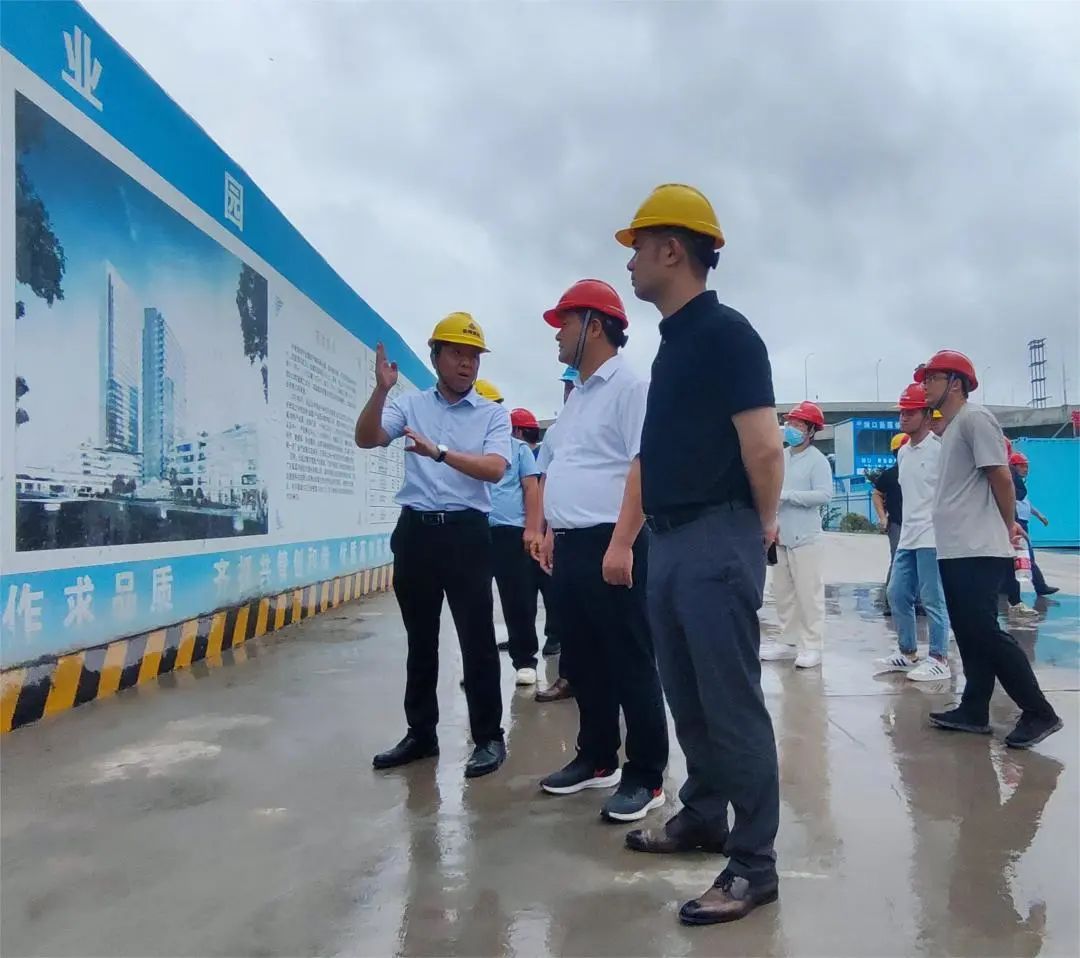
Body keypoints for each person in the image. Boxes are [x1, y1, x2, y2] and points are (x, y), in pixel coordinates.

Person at [617, 183, 785, 924]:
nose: (629, 262)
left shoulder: (727, 335)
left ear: (671, 249)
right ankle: (705, 814)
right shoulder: (673, 344)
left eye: (637, 248)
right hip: (672, 539)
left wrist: (760, 525)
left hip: (718, 534)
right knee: (687, 695)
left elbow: (765, 447)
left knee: (730, 702)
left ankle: (754, 864)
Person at [532, 278, 669, 823]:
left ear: (594, 326)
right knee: (584, 658)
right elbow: (565, 466)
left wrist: (622, 542)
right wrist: (549, 530)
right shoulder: (580, 396)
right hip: (570, 545)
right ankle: (596, 758)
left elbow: (644, 464)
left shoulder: (630, 387)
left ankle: (647, 776)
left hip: (612, 541)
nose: (557, 335)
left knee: (630, 659)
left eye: (564, 323)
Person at [354, 312, 511, 778]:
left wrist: (439, 453)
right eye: (457, 353)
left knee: (477, 639)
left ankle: (488, 737)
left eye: (474, 356)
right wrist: (381, 391)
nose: (466, 363)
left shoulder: (492, 414)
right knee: (420, 640)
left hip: (466, 533)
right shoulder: (410, 404)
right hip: (416, 533)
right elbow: (367, 439)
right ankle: (421, 734)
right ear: (436, 356)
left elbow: (495, 469)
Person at [915, 349, 1062, 749]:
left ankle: (1039, 711)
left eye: (932, 378)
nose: (924, 385)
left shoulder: (975, 418)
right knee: (969, 633)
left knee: (983, 632)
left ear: (956, 383)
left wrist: (1008, 522)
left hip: (978, 548)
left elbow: (1000, 475)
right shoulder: (952, 427)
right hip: (956, 548)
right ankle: (974, 709)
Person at [874, 383, 951, 681]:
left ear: (927, 415)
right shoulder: (904, 452)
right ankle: (907, 652)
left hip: (932, 536)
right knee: (896, 593)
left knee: (932, 599)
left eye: (910, 412)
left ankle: (939, 658)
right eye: (902, 412)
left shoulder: (940, 450)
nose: (903, 417)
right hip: (908, 535)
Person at [760, 401, 833, 669]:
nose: (792, 428)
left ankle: (812, 645)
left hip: (806, 538)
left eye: (799, 424)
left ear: (811, 430)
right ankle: (787, 642)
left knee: (808, 594)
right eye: (790, 423)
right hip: (782, 536)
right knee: (783, 593)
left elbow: (825, 494)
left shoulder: (817, 460)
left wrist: (789, 496)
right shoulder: (782, 456)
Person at [488, 400, 543, 686]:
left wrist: (532, 529)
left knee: (517, 599)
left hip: (511, 532)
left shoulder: (519, 449)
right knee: (474, 602)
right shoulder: (471, 446)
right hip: (473, 530)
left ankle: (525, 661)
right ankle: (479, 666)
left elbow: (531, 488)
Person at [534, 369, 580, 704]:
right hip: (564, 533)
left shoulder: (614, 410)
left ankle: (617, 682)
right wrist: (546, 531)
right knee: (568, 609)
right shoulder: (555, 433)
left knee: (615, 615)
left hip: (608, 532)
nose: (568, 392)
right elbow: (546, 481)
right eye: (565, 386)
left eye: (573, 385)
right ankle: (570, 677)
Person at [510, 406, 562, 658]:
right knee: (532, 587)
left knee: (538, 586)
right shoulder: (541, 451)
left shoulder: (526, 455)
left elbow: (538, 490)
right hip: (536, 529)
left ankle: (551, 636)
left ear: (517, 431)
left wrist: (539, 528)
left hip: (536, 530)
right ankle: (535, 636)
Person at [1010, 452, 1058, 597]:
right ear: (1014, 467)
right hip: (1017, 523)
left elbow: (1026, 504)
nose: (1026, 469)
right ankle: (1039, 586)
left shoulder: (1020, 485)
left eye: (1027, 466)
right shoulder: (1012, 484)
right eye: (1022, 466)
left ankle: (1037, 586)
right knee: (1026, 556)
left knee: (1023, 557)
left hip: (1023, 523)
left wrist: (1039, 516)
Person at [873, 434, 907, 614]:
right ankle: (890, 602)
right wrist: (883, 517)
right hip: (898, 525)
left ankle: (918, 602)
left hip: (922, 525)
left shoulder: (923, 470)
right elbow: (877, 494)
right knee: (898, 562)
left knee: (922, 563)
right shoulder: (890, 475)